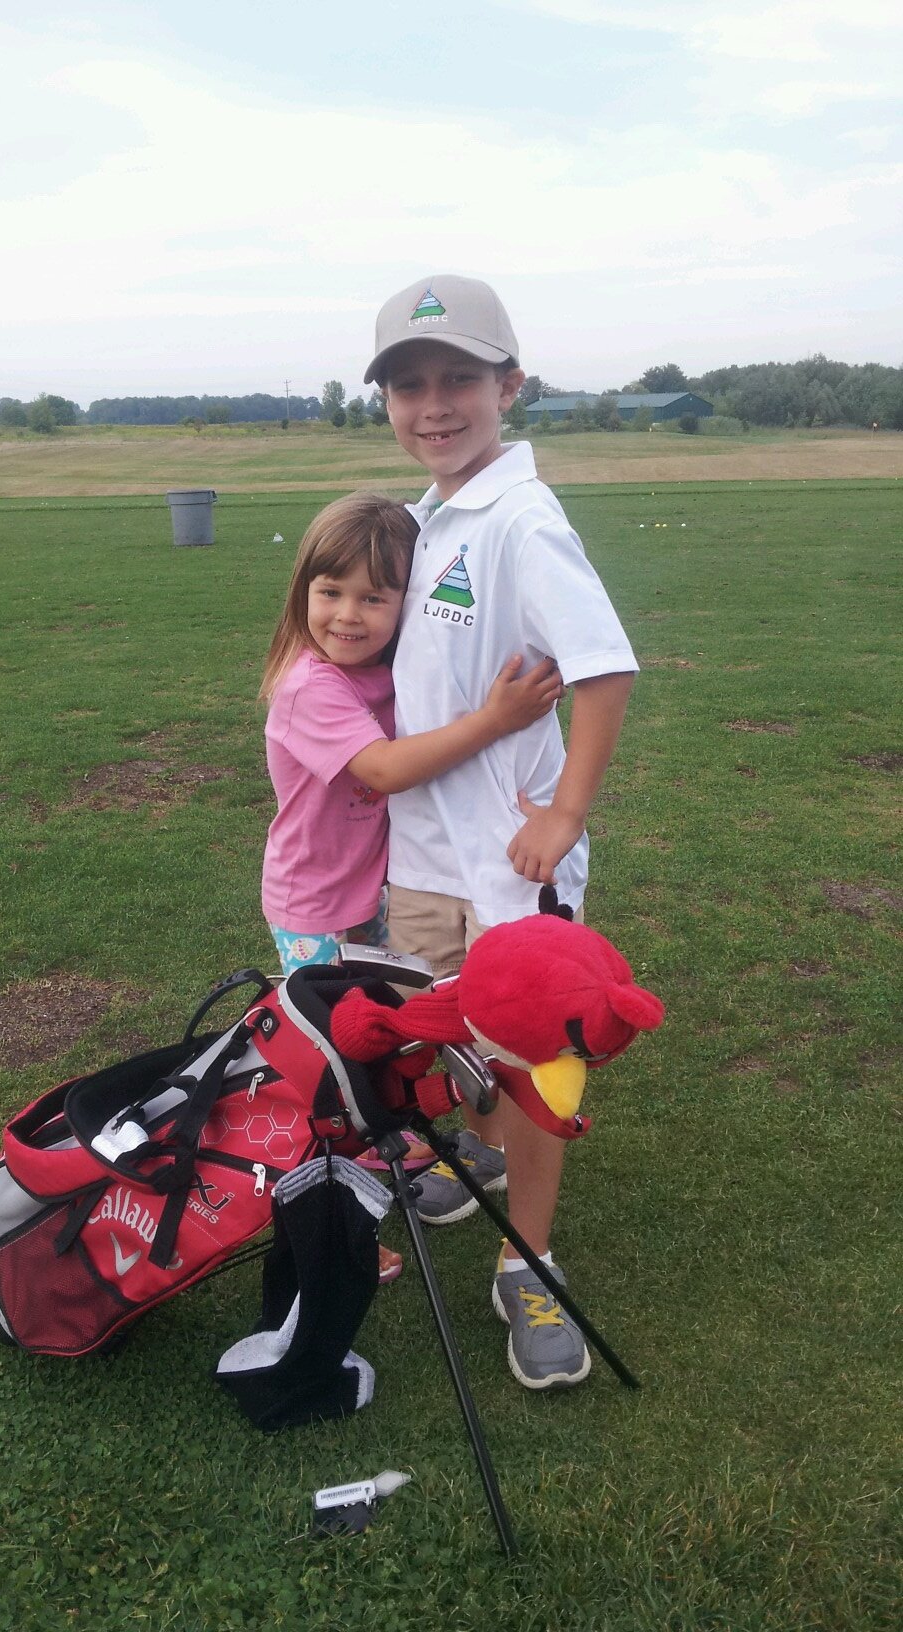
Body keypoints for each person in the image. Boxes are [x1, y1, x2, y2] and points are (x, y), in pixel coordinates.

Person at [364, 275, 638, 1388]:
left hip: (513, 864)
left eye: (459, 380)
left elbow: (605, 667)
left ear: (508, 386)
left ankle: (530, 1260)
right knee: (449, 1031)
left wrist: (565, 812)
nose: (434, 405)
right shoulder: (428, 517)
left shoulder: (522, 518)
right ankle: (469, 1150)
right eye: (409, 385)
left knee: (532, 1056)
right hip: (427, 856)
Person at [260, 491, 564, 1284]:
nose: (348, 615)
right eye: (330, 592)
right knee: (334, 1068)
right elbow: (387, 769)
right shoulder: (311, 687)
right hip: (315, 908)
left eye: (374, 597)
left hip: (371, 896)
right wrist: (498, 719)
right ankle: (335, 1215)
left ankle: (395, 1168)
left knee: (381, 1047)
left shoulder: (383, 672)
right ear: (302, 594)